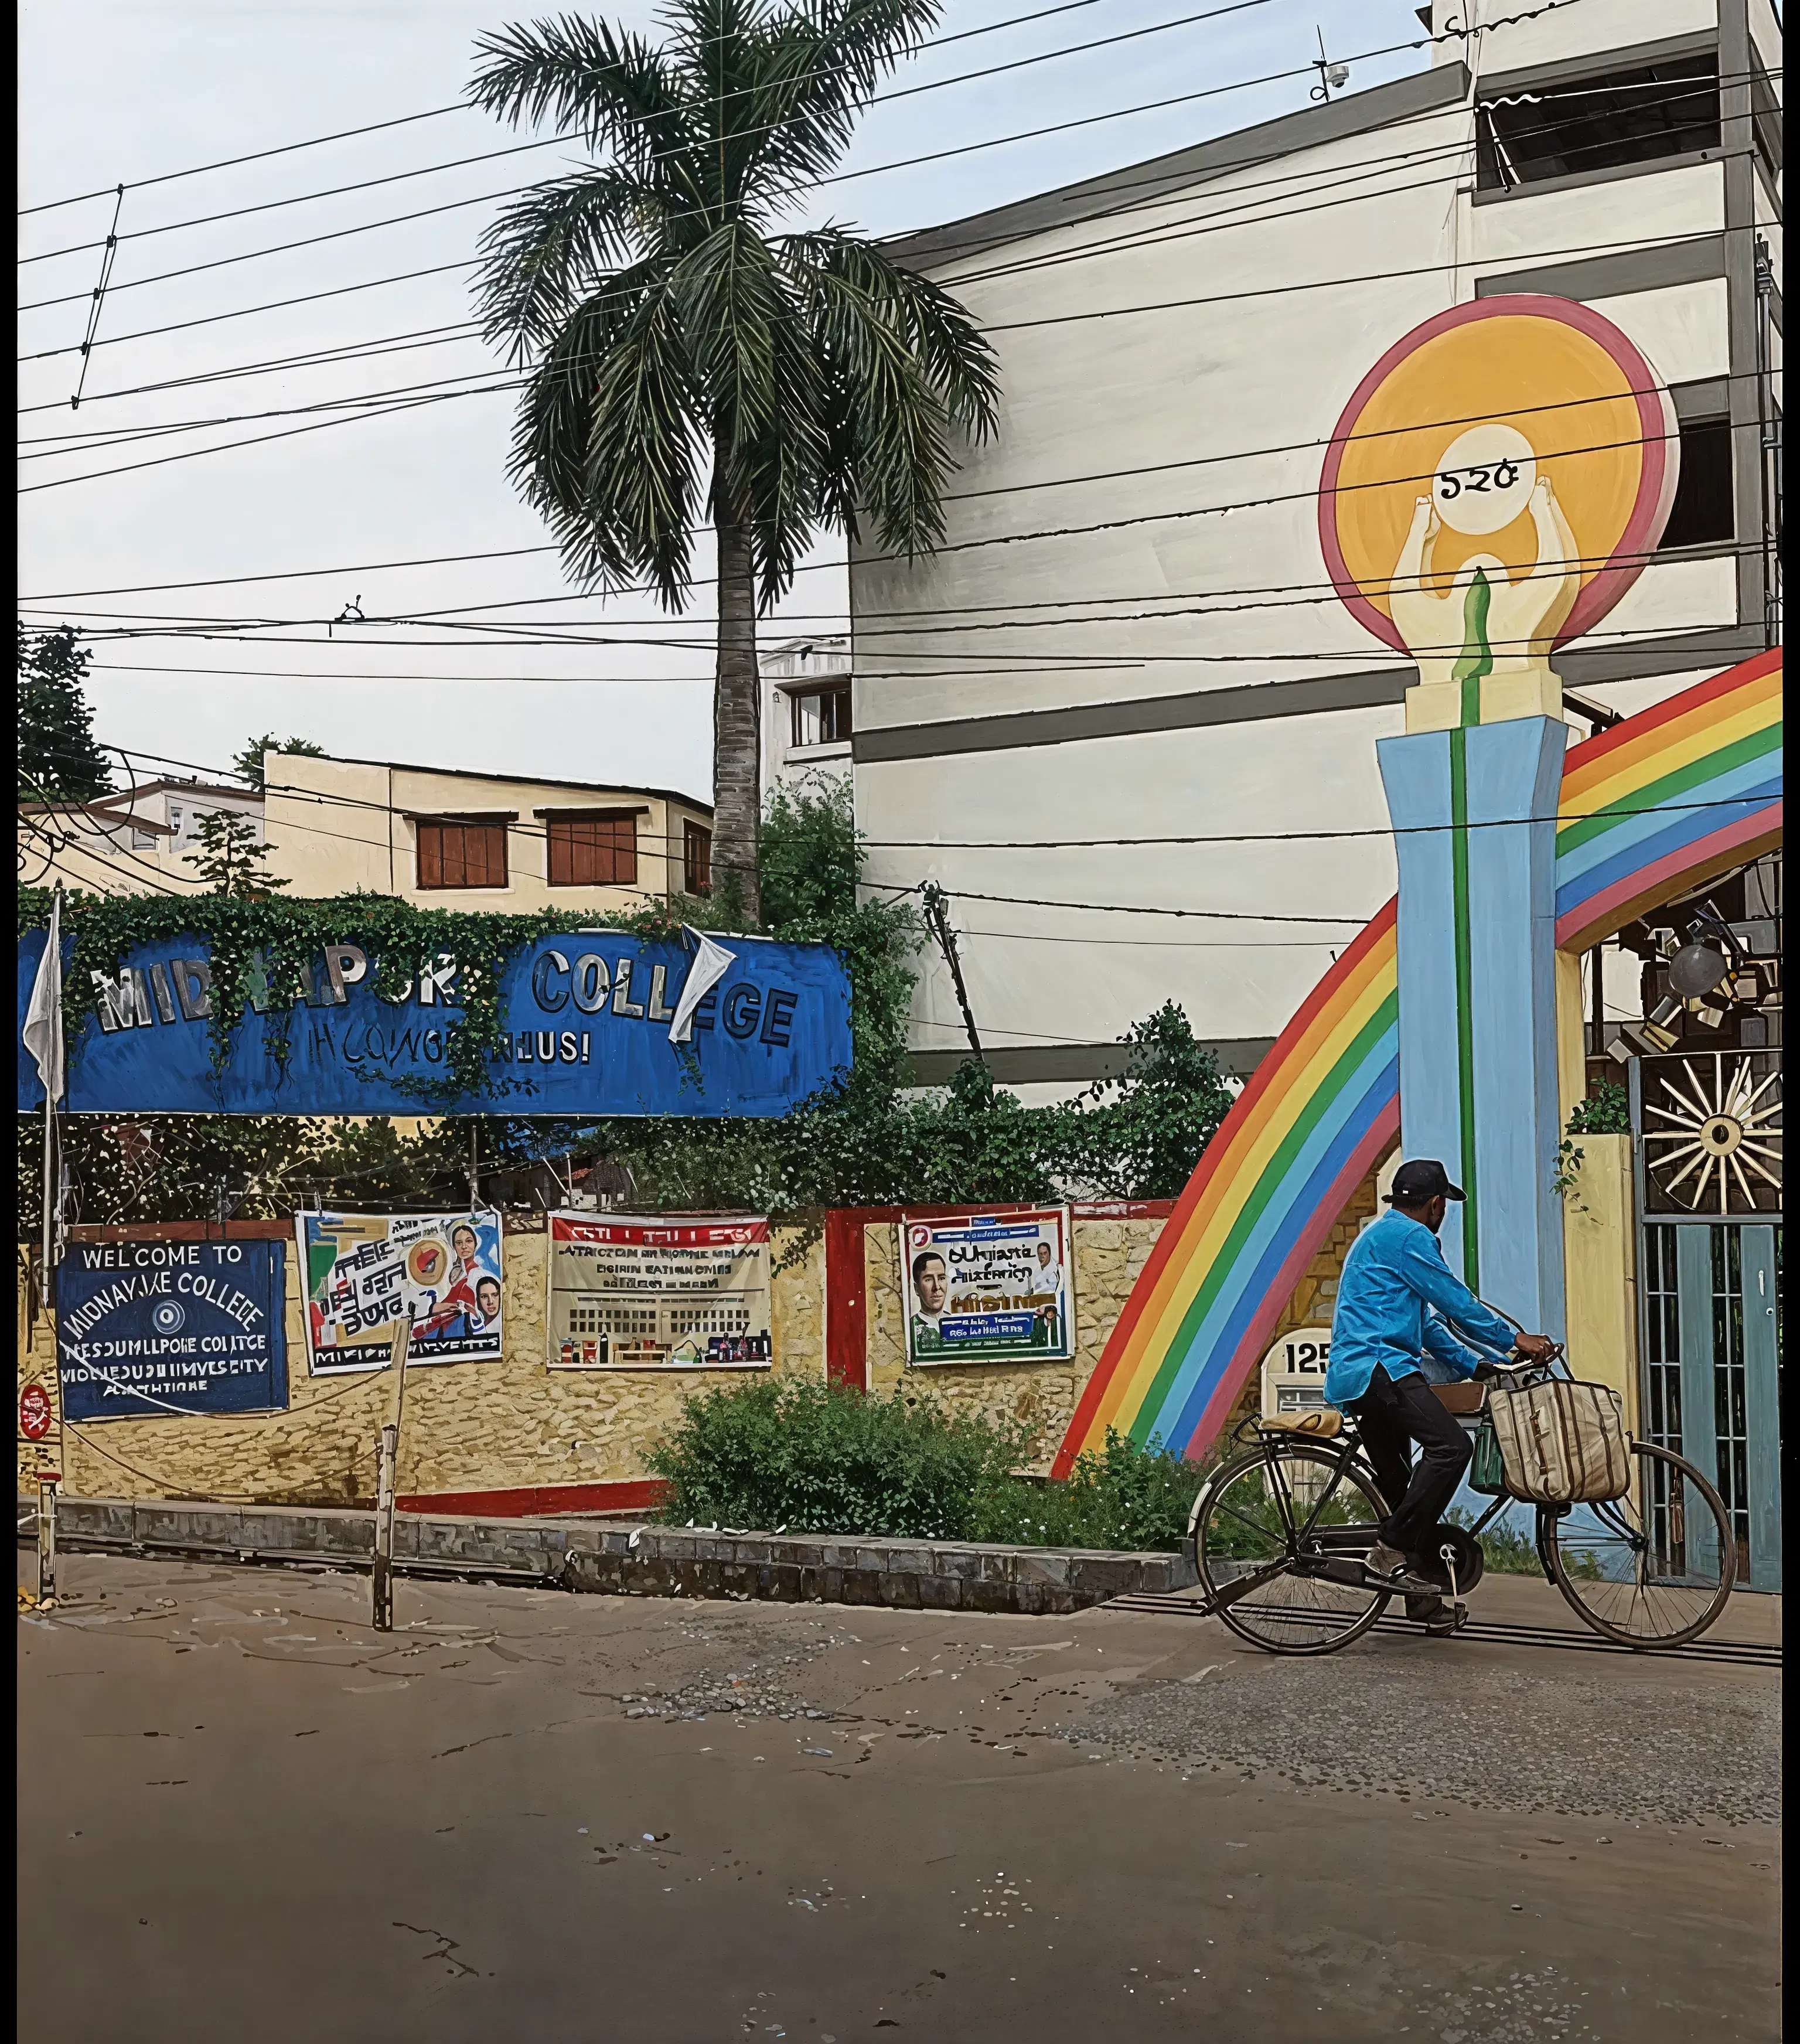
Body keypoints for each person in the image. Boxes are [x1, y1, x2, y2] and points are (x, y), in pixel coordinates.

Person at [1325, 1159, 1556, 1629]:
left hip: (1362, 1374)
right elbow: (1456, 1302)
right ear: (1435, 1205)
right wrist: (1516, 1340)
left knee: (1402, 1493)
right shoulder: (1410, 1239)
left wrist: (1477, 1365)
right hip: (1380, 1370)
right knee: (1452, 1447)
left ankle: (1421, 1599)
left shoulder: (1380, 1235)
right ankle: (1388, 1551)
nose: (1442, 1213)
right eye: (1443, 1205)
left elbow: (1426, 1324)